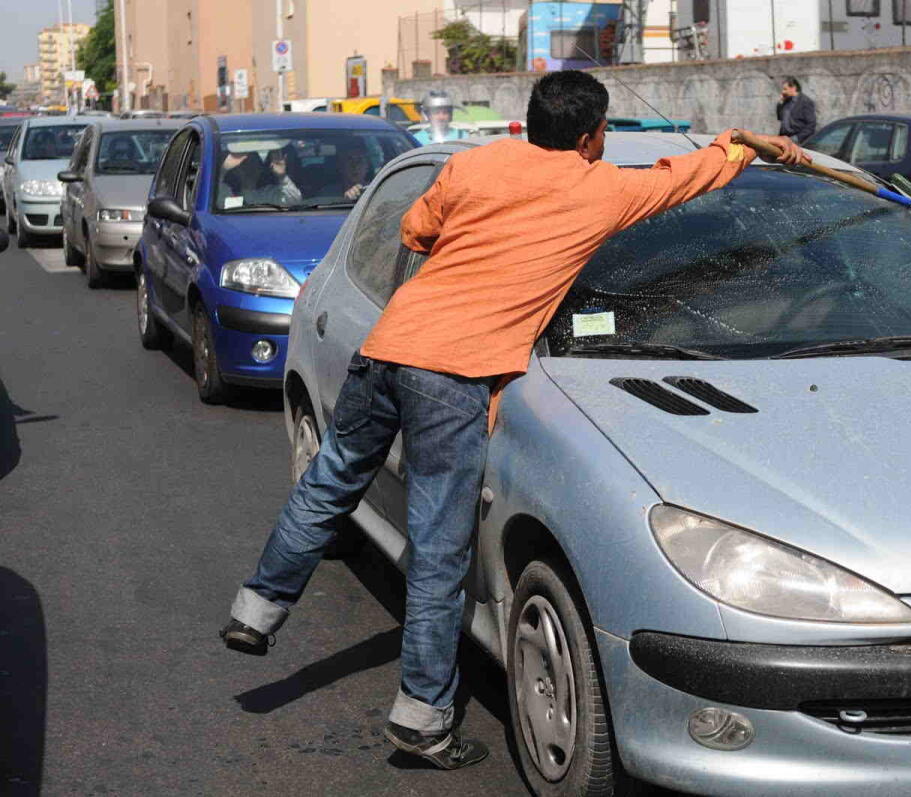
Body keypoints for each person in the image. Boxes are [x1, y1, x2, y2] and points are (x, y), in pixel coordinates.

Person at [220, 70, 806, 771]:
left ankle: (255, 611)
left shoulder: (476, 164)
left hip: (387, 349)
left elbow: (414, 229)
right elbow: (688, 177)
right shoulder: (604, 190)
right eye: (602, 133)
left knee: (330, 481)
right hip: (452, 378)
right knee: (439, 551)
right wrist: (741, 145)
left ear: (530, 123)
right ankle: (422, 718)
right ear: (590, 138)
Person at [218, 148, 301, 207]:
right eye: (244, 165)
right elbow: (215, 202)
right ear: (236, 171)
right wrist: (223, 170)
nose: (249, 169)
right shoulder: (227, 192)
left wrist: (282, 176)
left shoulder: (269, 193)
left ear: (260, 169)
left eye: (253, 164)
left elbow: (295, 201)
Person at [776, 76, 817, 144]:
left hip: (798, 140)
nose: (783, 92)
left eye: (785, 89)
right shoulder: (786, 101)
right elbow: (780, 117)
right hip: (784, 138)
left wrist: (797, 138)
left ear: (793, 88)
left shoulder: (805, 102)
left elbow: (811, 125)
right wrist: (780, 103)